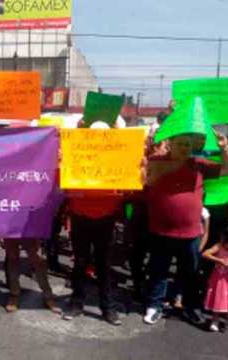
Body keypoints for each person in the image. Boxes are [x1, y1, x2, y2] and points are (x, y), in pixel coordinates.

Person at [143, 132, 228, 326]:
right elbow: (139, 176)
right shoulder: (156, 161)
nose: (185, 148)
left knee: (191, 274)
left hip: (190, 233)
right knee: (158, 271)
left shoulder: (198, 163)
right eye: (181, 144)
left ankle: (191, 307)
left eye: (188, 144)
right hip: (161, 231)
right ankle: (154, 306)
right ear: (170, 144)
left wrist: (224, 147)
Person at [62, 122, 125, 326]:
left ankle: (107, 308)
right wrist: (62, 164)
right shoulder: (76, 155)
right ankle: (76, 303)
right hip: (80, 217)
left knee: (103, 265)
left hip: (106, 219)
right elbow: (64, 187)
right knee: (80, 263)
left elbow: (129, 187)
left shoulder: (117, 159)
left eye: (103, 136)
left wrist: (138, 170)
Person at [4, 237, 61, 314]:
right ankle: (14, 294)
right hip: (10, 227)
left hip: (29, 227)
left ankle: (48, 295)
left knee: (37, 258)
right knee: (12, 257)